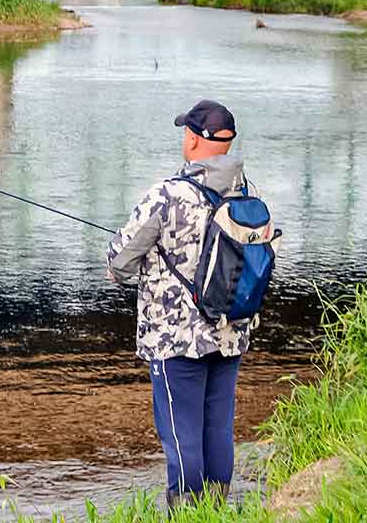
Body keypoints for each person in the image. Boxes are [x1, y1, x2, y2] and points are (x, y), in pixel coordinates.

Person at [105, 100, 253, 511]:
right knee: (217, 428)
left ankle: (186, 514)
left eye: (185, 133)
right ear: (229, 142)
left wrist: (122, 266)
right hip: (229, 333)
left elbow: (119, 261)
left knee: (181, 431)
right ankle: (216, 510)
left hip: (176, 339)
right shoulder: (246, 196)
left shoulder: (166, 196)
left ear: (192, 139)